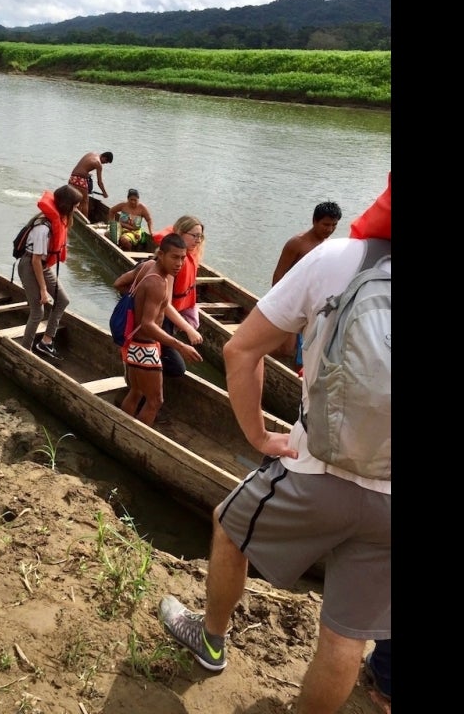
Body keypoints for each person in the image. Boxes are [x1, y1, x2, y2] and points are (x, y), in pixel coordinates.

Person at [158, 182, 390, 714]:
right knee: (345, 638)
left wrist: (259, 435)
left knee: (227, 523)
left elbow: (241, 351)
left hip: (316, 469)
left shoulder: (337, 257)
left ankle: (211, 640)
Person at [116, 234, 203, 426]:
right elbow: (148, 324)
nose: (179, 263)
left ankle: (121, 427)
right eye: (174, 257)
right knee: (156, 401)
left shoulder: (146, 266)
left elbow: (119, 283)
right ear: (161, 255)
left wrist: (137, 301)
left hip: (133, 343)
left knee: (137, 391)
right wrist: (181, 346)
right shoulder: (158, 283)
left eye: (182, 257)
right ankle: (135, 439)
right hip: (145, 348)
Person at [269, 201, 342, 371]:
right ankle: (255, 357)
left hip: (314, 304)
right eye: (325, 224)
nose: (329, 229)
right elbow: (279, 274)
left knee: (307, 348)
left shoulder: (329, 245)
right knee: (287, 348)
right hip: (292, 301)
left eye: (334, 225)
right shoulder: (297, 243)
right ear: (314, 221)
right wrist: (278, 303)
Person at [19, 185, 83, 360]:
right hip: (31, 266)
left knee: (62, 300)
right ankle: (25, 350)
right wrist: (42, 289)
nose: (77, 209)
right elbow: (35, 260)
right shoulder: (43, 228)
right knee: (38, 311)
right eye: (75, 206)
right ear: (66, 205)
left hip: (42, 265)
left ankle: (46, 342)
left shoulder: (58, 220)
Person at [140, 216, 207, 377]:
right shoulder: (172, 265)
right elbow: (166, 305)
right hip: (160, 317)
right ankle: (147, 372)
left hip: (170, 316)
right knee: (177, 368)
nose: (198, 240)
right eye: (194, 235)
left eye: (200, 236)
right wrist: (188, 329)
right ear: (180, 233)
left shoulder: (189, 255)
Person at [68, 151, 112, 218]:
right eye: (105, 162)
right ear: (104, 157)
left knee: (77, 199)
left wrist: (87, 175)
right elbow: (99, 182)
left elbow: (81, 168)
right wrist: (104, 193)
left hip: (72, 178)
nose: (104, 164)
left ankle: (74, 217)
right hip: (79, 180)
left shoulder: (92, 154)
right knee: (85, 201)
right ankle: (86, 221)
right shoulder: (98, 163)